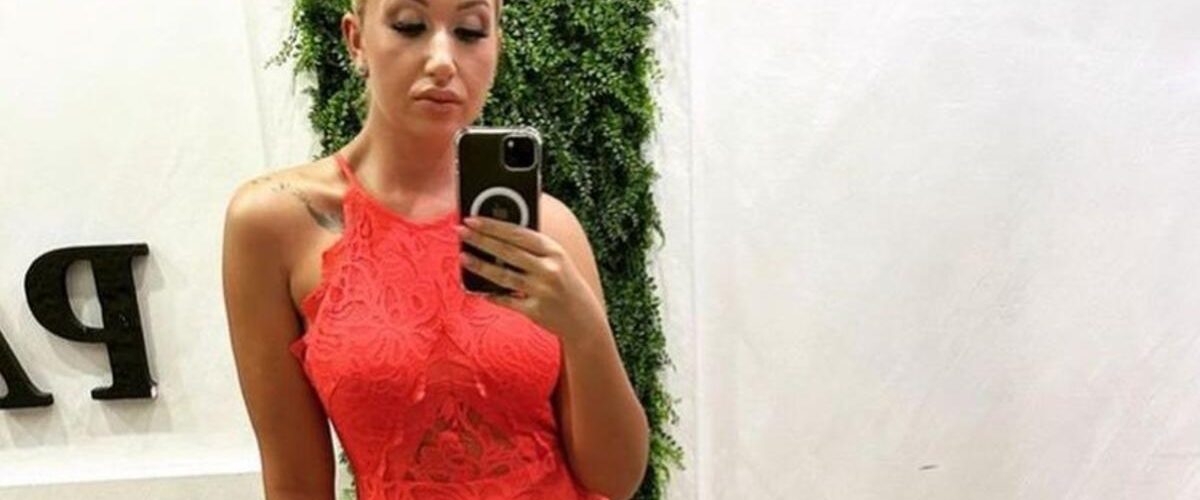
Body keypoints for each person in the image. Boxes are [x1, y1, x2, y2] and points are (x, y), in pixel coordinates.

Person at [220, 0, 649, 498]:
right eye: (410, 26)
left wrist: (586, 330)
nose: (443, 60)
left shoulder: (550, 230)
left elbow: (616, 479)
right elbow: (295, 482)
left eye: (470, 31)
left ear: (496, 46)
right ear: (356, 39)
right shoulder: (276, 224)